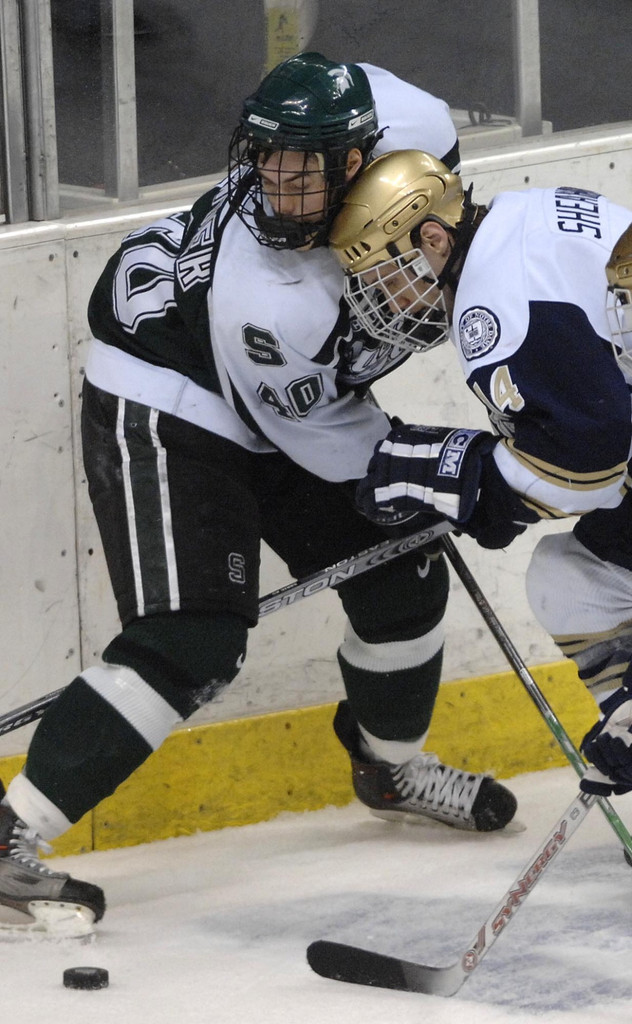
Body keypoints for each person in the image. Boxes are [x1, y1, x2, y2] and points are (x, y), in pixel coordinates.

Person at [0, 59, 517, 938]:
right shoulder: (272, 296)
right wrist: (459, 473)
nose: (277, 188)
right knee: (193, 638)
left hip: (284, 394)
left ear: (356, 157)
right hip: (171, 393)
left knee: (405, 569)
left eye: (300, 168)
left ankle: (388, 768)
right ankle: (10, 834)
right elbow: (337, 446)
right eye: (266, 163)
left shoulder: (418, 123)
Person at [328, 147, 632, 798]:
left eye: (386, 274)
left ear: (433, 239)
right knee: (573, 580)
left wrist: (461, 480)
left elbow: (591, 468)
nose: (384, 298)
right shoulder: (526, 212)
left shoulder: (493, 310)